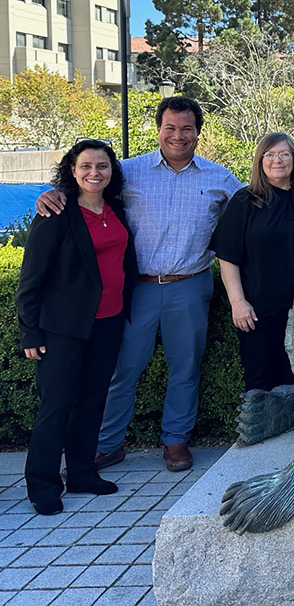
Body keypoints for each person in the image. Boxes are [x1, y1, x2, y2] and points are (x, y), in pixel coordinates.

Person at [36, 96, 242, 473]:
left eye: (186, 129)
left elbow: (254, 206)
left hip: (190, 285)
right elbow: (88, 186)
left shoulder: (220, 178)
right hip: (137, 288)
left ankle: (176, 441)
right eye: (170, 128)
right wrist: (54, 194)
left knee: (186, 367)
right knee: (123, 368)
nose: (178, 136)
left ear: (198, 132)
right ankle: (108, 443)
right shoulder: (129, 171)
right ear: (158, 129)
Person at [17, 140, 137, 515]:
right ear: (72, 170)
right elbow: (31, 278)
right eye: (86, 166)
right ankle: (42, 484)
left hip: (108, 321)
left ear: (111, 171)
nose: (94, 173)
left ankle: (82, 472)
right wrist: (30, 332)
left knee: (92, 401)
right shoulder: (56, 213)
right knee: (57, 405)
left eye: (102, 166)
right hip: (62, 328)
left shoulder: (115, 208)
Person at [212, 133, 294, 392]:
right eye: (269, 155)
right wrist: (238, 303)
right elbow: (227, 257)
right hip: (259, 311)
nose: (276, 160)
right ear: (260, 161)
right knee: (262, 384)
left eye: (284, 154)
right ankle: (263, 434)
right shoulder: (244, 201)